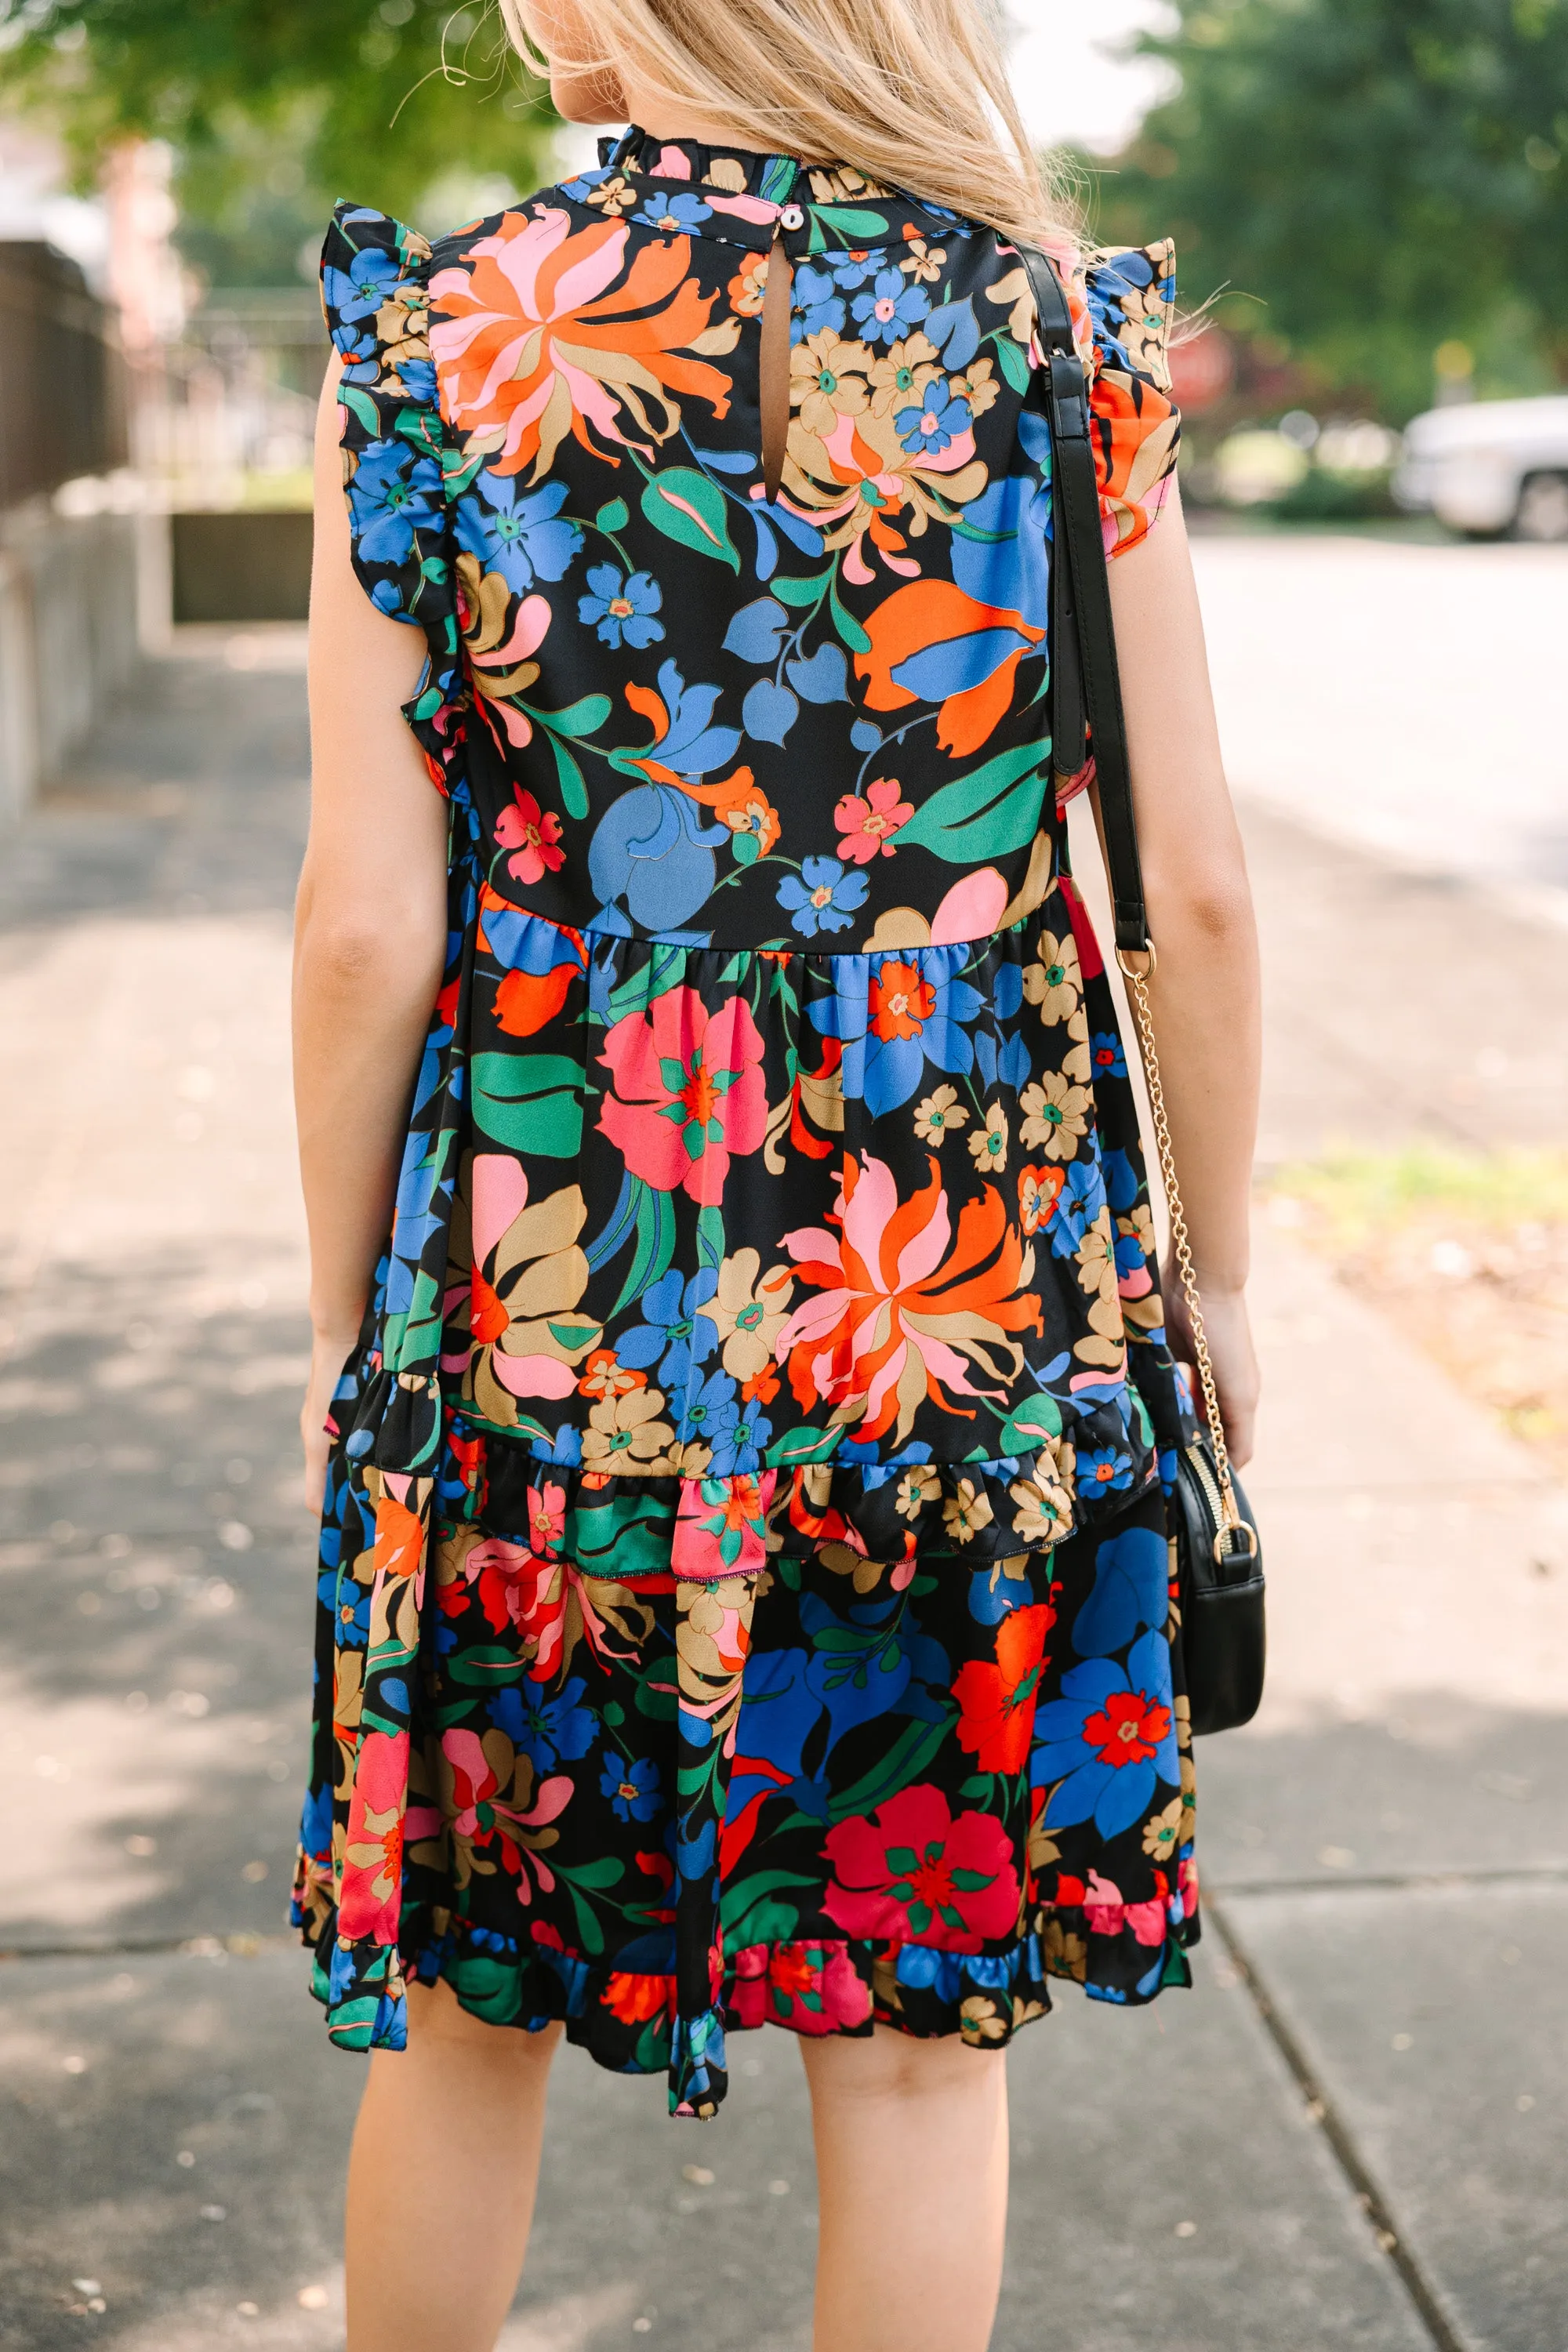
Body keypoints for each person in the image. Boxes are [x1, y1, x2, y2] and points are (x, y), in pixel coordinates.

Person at [290, 1, 1261, 2344]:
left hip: (550, 1281)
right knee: (918, 2053)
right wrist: (1223, 1282)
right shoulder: (1054, 338)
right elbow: (1194, 893)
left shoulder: (437, 347)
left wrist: (348, 1327)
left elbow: (359, 928)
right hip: (958, 1289)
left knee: (471, 2007)